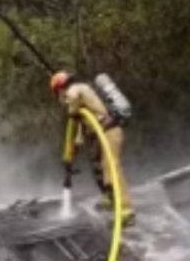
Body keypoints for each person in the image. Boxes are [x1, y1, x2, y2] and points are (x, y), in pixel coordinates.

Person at [50, 71, 134, 225]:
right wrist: (70, 155)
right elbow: (80, 135)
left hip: (110, 132)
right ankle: (109, 199)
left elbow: (73, 99)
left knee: (110, 168)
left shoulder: (75, 89)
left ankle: (126, 211)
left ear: (60, 89)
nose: (61, 98)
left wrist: (72, 111)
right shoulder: (83, 103)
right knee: (97, 167)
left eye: (58, 93)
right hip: (100, 133)